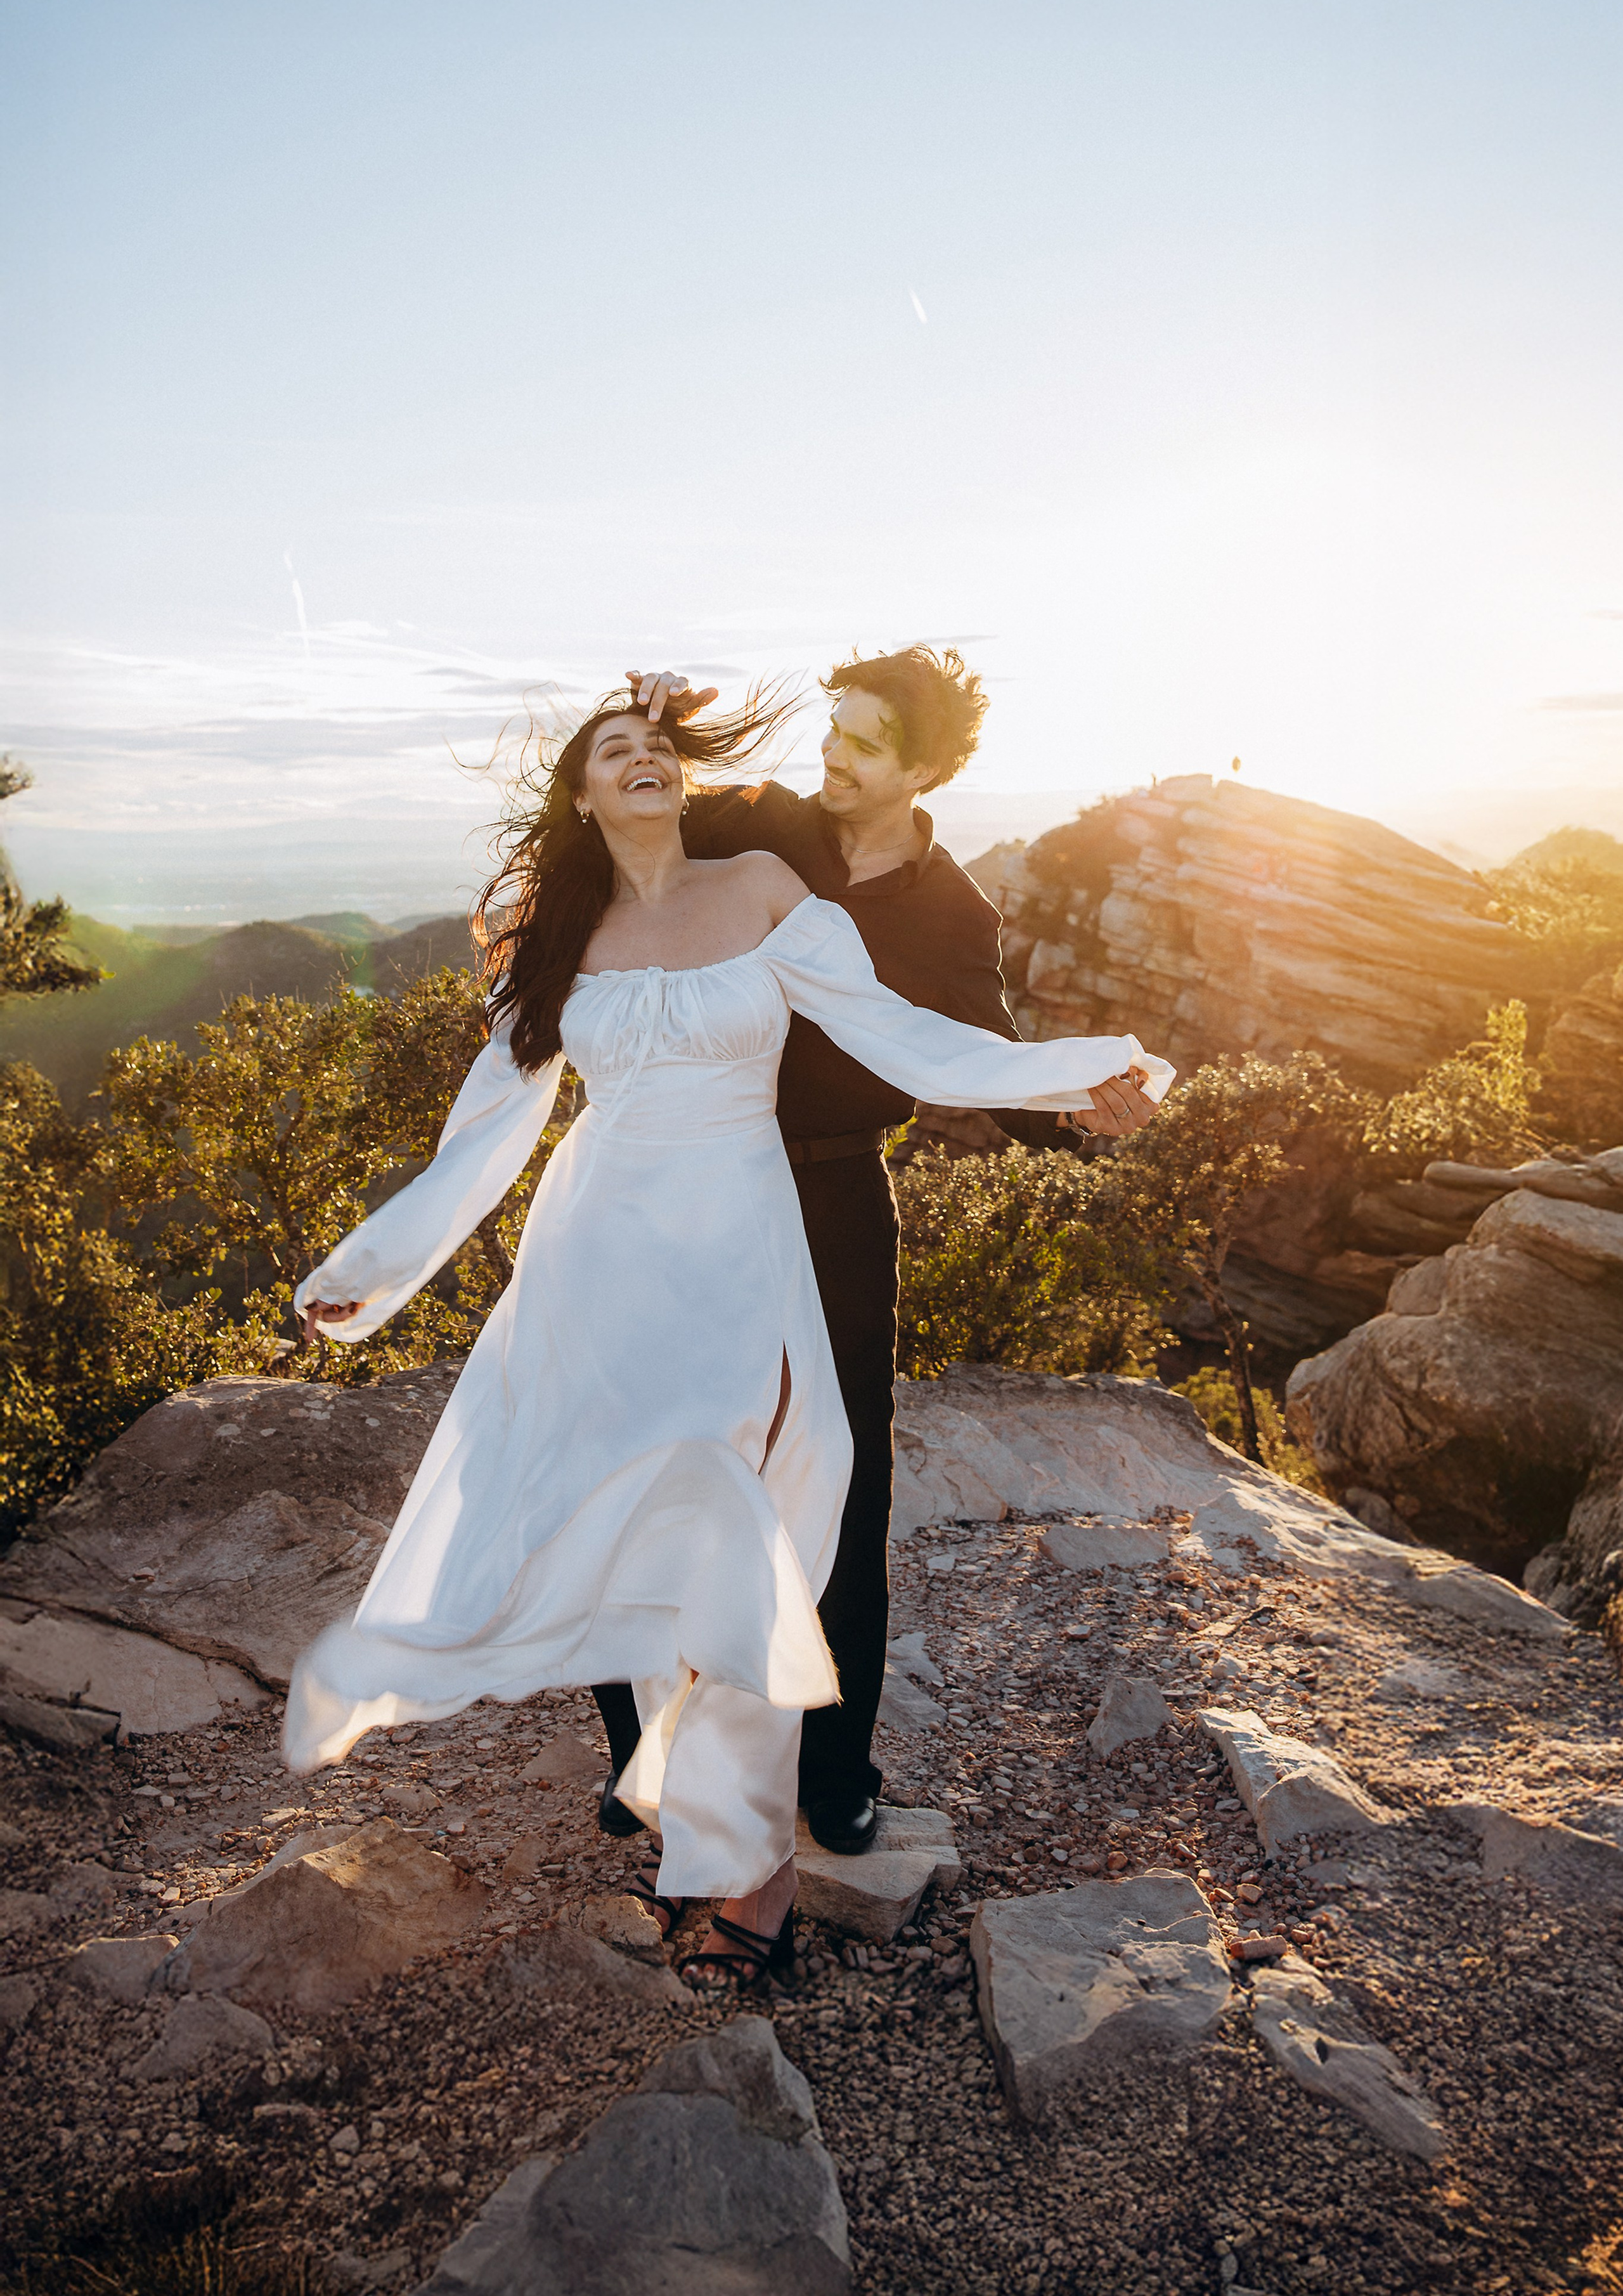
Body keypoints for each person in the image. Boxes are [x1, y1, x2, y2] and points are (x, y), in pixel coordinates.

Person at [287, 684, 1172, 1995]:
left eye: (654, 747)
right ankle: (701, 1838)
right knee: (631, 1523)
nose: (640, 759)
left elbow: (902, 1035)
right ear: (581, 795)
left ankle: (750, 1858)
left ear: (681, 782)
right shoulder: (556, 927)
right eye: (612, 752)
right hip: (601, 1252)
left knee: (747, 1520)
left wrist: (1073, 1075)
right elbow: (488, 1122)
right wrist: (374, 1268)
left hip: (745, 1236)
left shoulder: (760, 880)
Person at [590, 647, 1157, 1862]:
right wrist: (647, 720)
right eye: (833, 726)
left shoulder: (957, 911)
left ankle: (837, 1771)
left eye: (862, 740)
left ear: (927, 768)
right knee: (650, 1474)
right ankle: (651, 1750)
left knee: (842, 1491)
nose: (833, 752)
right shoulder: (760, 825)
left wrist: (1080, 1102)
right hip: (677, 1190)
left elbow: (985, 1063)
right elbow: (629, 827)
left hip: (833, 1199)